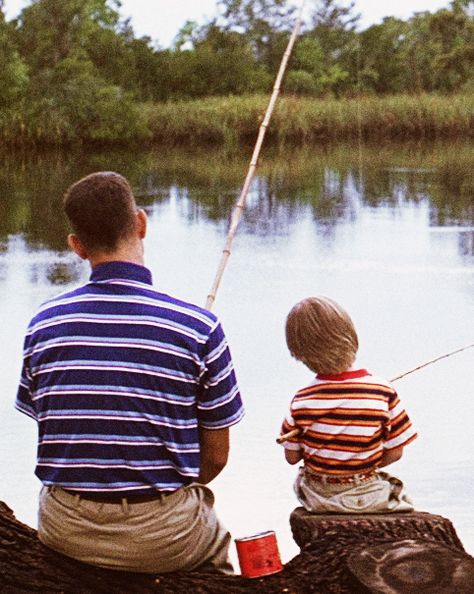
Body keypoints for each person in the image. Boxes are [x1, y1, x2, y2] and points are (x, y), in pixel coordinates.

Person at [15, 171, 244, 574]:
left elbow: (55, 428)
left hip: (65, 528)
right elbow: (217, 457)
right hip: (163, 535)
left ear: (77, 247)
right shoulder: (198, 327)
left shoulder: (43, 325)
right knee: (219, 551)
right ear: (141, 222)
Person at [279, 296, 417, 514]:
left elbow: (291, 457)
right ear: (351, 338)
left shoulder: (301, 400)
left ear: (297, 352)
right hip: (367, 491)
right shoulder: (383, 391)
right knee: (400, 493)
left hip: (317, 496)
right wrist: (363, 468)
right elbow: (396, 452)